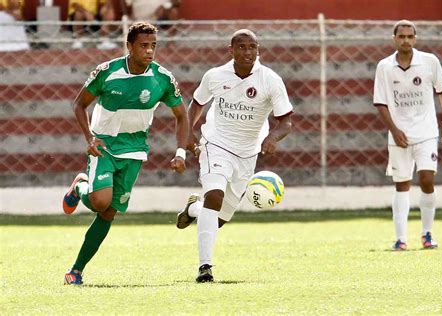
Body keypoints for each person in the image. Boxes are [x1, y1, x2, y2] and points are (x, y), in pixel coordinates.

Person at [62, 22, 189, 285]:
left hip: (135, 150)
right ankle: (81, 187)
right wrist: (89, 137)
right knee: (99, 202)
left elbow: (181, 115)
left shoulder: (162, 78)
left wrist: (180, 153)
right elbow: (79, 104)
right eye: (144, 45)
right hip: (104, 144)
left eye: (153, 45)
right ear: (129, 46)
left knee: (109, 213)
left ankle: (76, 270)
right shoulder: (107, 72)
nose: (150, 51)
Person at [176, 29, 293, 282]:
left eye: (252, 47)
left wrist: (272, 138)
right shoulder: (215, 76)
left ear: (258, 49)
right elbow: (197, 103)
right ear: (231, 50)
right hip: (215, 144)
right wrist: (189, 134)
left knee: (221, 217)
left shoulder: (270, 80)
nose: (248, 52)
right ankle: (205, 267)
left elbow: (286, 121)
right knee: (214, 196)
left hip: (248, 153)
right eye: (242, 47)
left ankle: (194, 209)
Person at [373, 20, 442, 251]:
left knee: (427, 179)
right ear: (394, 39)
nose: (406, 40)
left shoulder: (429, 62)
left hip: (427, 132)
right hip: (399, 136)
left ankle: (427, 234)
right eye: (401, 36)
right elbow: (380, 103)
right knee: (402, 185)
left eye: (410, 36)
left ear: (415, 39)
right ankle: (401, 239)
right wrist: (394, 130)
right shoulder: (384, 66)